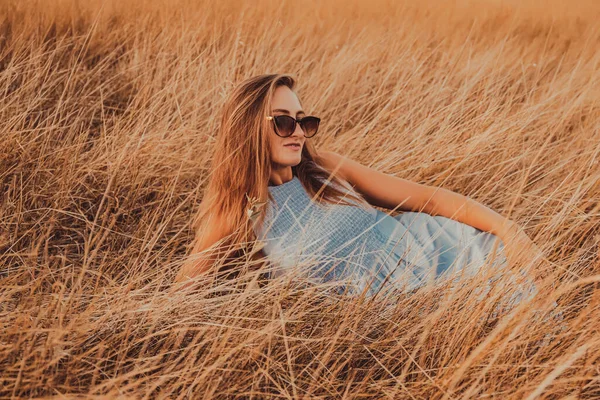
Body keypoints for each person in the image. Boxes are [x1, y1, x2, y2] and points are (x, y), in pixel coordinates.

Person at [173, 73, 542, 297]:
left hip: (453, 255)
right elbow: (181, 296)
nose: (299, 133)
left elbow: (427, 200)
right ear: (248, 129)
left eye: (304, 121)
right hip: (402, 314)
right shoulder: (237, 213)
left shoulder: (324, 168)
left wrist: (509, 230)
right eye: (283, 122)